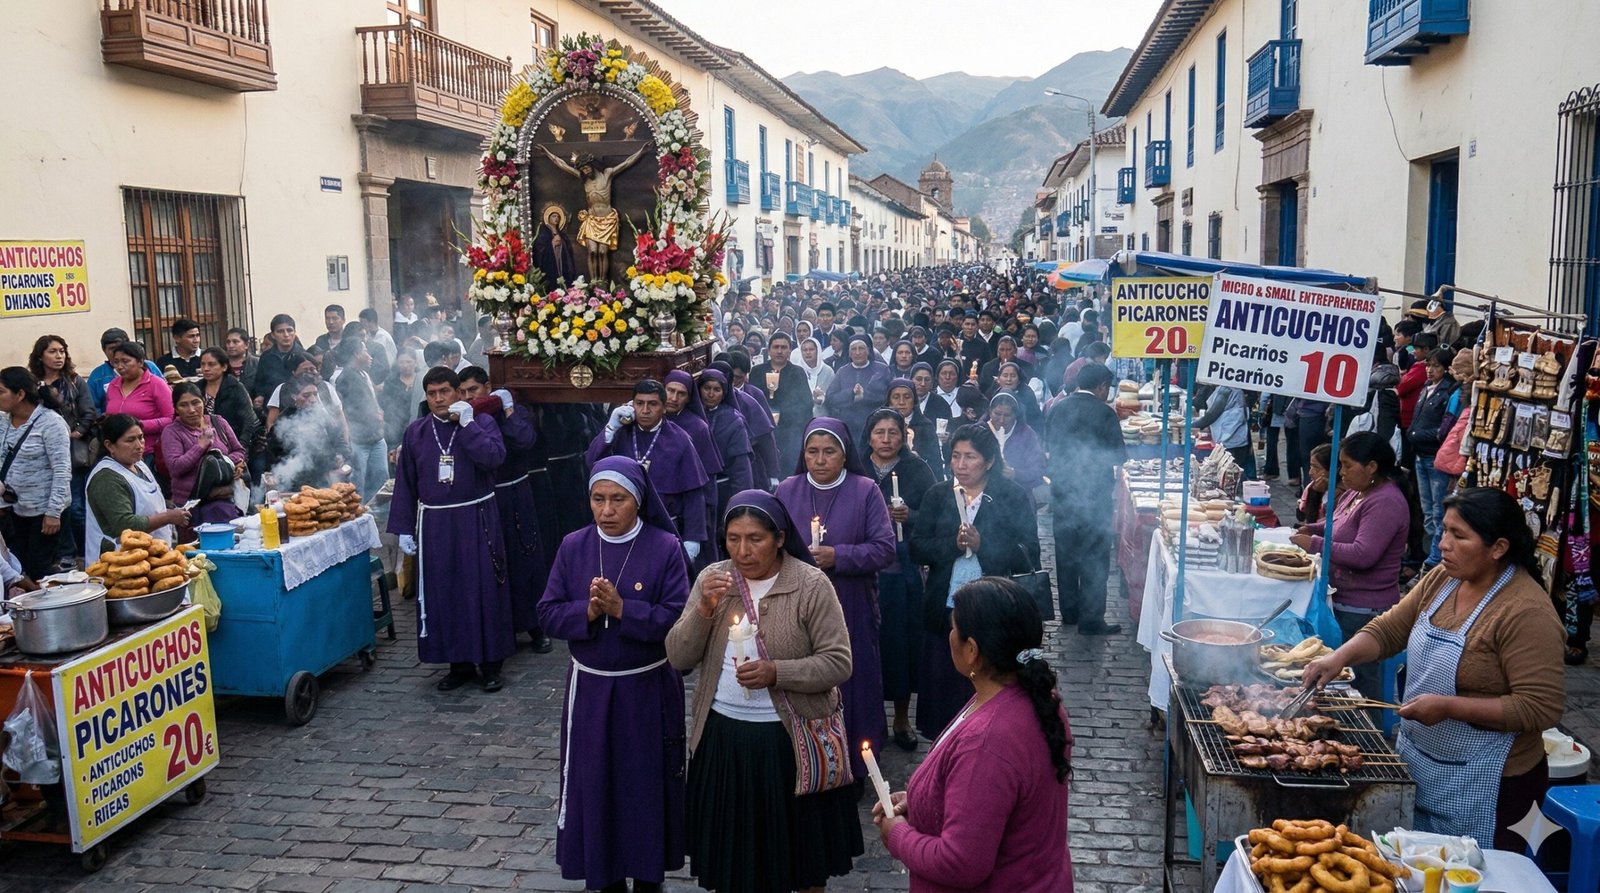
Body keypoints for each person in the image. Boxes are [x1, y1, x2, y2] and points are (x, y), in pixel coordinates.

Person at [1303, 488, 1564, 850]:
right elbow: (1389, 629)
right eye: (1444, 531)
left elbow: (1540, 707)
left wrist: (1447, 707)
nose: (1443, 544)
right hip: (1421, 761)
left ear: (1499, 548)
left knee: (1468, 873)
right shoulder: (1444, 578)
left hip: (1491, 783)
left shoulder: (1526, 612)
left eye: (1459, 536)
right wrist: (1338, 658)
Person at [665, 490, 862, 893]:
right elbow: (678, 655)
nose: (743, 550)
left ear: (780, 538)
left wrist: (777, 672)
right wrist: (703, 610)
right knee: (734, 858)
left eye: (755, 539)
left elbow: (838, 662)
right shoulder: (713, 580)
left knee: (802, 860)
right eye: (733, 539)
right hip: (724, 738)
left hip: (789, 742)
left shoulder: (810, 585)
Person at [536, 457, 689, 893]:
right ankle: (605, 877)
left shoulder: (664, 547)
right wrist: (585, 612)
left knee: (643, 785)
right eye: (598, 499)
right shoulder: (574, 546)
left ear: (638, 500)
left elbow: (680, 620)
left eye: (618, 499)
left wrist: (625, 610)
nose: (606, 510)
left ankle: (648, 877)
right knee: (597, 783)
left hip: (646, 689)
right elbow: (546, 612)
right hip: (591, 690)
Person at [874, 577, 1074, 892]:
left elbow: (961, 863)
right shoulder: (1029, 697)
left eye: (953, 628)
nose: (949, 635)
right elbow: (986, 799)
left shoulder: (987, 742)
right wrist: (923, 802)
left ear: (971, 650)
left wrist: (897, 835)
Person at [777, 417, 896, 777]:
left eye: (829, 452)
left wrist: (838, 556)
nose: (820, 460)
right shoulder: (787, 490)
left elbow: (885, 548)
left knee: (852, 682)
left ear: (845, 455)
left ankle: (856, 765)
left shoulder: (865, 490)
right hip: (797, 603)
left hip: (850, 602)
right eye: (812, 451)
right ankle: (804, 760)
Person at [909, 424, 1042, 740]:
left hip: (993, 614)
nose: (961, 465)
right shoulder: (938, 495)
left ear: (989, 461)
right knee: (944, 696)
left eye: (970, 457)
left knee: (985, 695)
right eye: (956, 456)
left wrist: (984, 544)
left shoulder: (1010, 496)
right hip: (945, 611)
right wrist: (951, 545)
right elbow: (917, 547)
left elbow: (1029, 552)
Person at [389, 367, 515, 692]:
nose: (438, 399)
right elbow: (406, 482)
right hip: (436, 526)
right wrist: (404, 528)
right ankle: (458, 663)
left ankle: (491, 664)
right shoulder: (416, 432)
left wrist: (468, 425)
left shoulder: (481, 423)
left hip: (476, 518)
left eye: (444, 391)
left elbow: (494, 458)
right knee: (446, 592)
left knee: (482, 589)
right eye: (432, 394)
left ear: (458, 392)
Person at [1289, 432, 1411, 701]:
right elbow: (1336, 524)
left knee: (1361, 682)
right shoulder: (1357, 492)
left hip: (1365, 608)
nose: (1341, 472)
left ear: (1371, 467)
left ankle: (1371, 725)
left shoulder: (1386, 502)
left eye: (1347, 465)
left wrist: (1315, 543)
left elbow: (1363, 554)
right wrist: (1311, 528)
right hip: (1341, 597)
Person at [459, 368, 551, 653]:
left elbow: (525, 440)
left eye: (473, 390)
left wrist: (508, 410)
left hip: (515, 493)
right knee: (494, 567)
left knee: (526, 560)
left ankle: (536, 627)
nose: (468, 397)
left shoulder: (511, 410)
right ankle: (502, 628)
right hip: (484, 500)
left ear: (488, 386)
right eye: (462, 392)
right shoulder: (463, 417)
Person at [864, 408, 936, 751]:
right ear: (868, 436)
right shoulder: (857, 469)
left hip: (902, 569)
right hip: (865, 567)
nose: (886, 439)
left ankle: (902, 717)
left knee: (901, 642)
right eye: (880, 432)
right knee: (868, 643)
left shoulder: (917, 469)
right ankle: (869, 714)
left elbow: (935, 515)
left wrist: (911, 515)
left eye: (893, 432)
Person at [587, 381, 712, 567]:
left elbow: (693, 494)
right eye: (639, 403)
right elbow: (593, 463)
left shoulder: (680, 440)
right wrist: (610, 429)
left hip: (664, 527)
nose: (645, 410)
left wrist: (693, 537)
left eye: (652, 404)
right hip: (622, 526)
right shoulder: (621, 433)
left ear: (664, 407)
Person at [1042, 364, 1126, 634]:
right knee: (1094, 558)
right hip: (1095, 498)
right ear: (1101, 386)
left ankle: (1069, 613)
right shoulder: (1104, 412)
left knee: (1065, 554)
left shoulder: (1058, 408)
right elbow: (1119, 455)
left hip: (1063, 494)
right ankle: (1091, 620)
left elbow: (1048, 446)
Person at [29, 336, 96, 568]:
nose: (59, 356)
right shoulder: (33, 384)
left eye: (62, 351)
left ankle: (84, 552)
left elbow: (89, 412)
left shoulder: (74, 381)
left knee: (75, 507)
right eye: (52, 351)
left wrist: (77, 432)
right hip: (41, 451)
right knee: (53, 505)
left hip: (72, 450)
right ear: (40, 356)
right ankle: (62, 553)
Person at [84, 414, 189, 562]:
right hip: (119, 562)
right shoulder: (106, 478)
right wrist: (168, 517)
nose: (139, 445)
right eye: (130, 440)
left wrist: (168, 507)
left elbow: (144, 500)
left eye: (141, 438)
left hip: (150, 556)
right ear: (110, 445)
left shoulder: (138, 464)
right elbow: (124, 525)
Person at [0, 369, 72, 579]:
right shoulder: (3, 421)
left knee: (40, 570)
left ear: (20, 394)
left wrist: (53, 512)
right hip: (13, 510)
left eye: (1, 392)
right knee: (17, 569)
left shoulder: (51, 423)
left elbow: (62, 470)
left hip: (45, 513)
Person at [160, 383, 246, 524]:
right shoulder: (172, 432)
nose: (191, 410)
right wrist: (200, 446)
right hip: (193, 505)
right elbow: (175, 467)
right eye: (183, 405)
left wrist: (228, 464)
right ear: (175, 408)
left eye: (196, 403)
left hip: (226, 497)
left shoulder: (218, 422)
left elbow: (239, 450)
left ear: (204, 401)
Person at [1408, 348, 1461, 572]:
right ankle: (1429, 558)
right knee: (1427, 511)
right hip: (1420, 456)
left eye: (1436, 366)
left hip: (1435, 458)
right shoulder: (1427, 388)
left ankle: (1434, 562)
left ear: (1446, 369)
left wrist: (1418, 434)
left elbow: (1444, 429)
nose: (1430, 370)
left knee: (1438, 512)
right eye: (1428, 365)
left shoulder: (1448, 392)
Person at [265, 374, 347, 491]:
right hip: (296, 482)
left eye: (315, 394)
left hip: (325, 479)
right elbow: (277, 453)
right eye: (306, 396)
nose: (313, 400)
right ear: (294, 396)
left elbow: (338, 439)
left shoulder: (322, 416)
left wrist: (341, 454)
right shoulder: (284, 420)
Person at [332, 338, 387, 502]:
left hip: (376, 437)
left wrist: (378, 412)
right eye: (365, 351)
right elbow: (346, 411)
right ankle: (360, 513)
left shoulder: (364, 374)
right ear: (356, 354)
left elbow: (372, 400)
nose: (370, 356)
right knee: (357, 486)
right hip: (358, 441)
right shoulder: (345, 378)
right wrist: (371, 416)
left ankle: (378, 515)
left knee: (380, 481)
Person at [103, 340, 174, 463]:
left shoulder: (156, 384)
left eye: (125, 361)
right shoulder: (113, 386)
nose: (120, 366)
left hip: (148, 452)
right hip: (119, 454)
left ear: (140, 362)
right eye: (116, 362)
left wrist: (137, 426)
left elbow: (170, 418)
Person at [697, 370, 754, 522]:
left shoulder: (733, 420)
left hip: (722, 490)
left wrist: (742, 503)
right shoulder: (690, 416)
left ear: (724, 393)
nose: (711, 394)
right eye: (706, 388)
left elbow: (741, 468)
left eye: (717, 389)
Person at [752, 332, 813, 471]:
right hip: (763, 430)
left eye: (784, 347)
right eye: (776, 347)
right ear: (769, 350)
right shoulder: (757, 371)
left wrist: (786, 414)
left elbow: (806, 403)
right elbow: (753, 400)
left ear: (790, 351)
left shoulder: (797, 372)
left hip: (790, 431)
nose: (779, 351)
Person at [824, 334, 891, 446]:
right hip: (848, 427)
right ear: (849, 353)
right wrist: (852, 394)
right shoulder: (842, 371)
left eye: (861, 348)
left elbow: (887, 396)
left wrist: (864, 396)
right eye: (854, 349)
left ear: (868, 351)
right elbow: (831, 398)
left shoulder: (881, 370)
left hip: (875, 424)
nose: (858, 352)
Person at [196, 348, 257, 461]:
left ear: (224, 367)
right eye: (203, 364)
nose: (206, 368)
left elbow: (248, 421)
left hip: (233, 444)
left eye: (211, 364)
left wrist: (241, 449)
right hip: (202, 446)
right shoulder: (197, 388)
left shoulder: (235, 388)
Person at [87, 328, 161, 415]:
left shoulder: (149, 367)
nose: (116, 352)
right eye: (112, 348)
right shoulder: (97, 376)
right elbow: (92, 408)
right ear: (104, 350)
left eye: (120, 347)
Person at [987, 393, 1046, 496]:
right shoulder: (980, 431)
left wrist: (1015, 474)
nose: (1001, 420)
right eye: (997, 414)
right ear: (990, 412)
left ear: (1015, 416)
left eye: (1007, 415)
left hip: (1018, 496)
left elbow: (1038, 471)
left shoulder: (1026, 435)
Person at [1193, 383, 1255, 480]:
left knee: (1231, 474)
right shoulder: (1229, 389)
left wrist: (1191, 425)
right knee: (1234, 474)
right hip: (1234, 438)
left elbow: (1211, 415)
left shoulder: (1226, 390)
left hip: (1231, 441)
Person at [885, 379, 940, 470]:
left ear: (914, 400)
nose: (901, 402)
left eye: (907, 397)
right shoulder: (877, 424)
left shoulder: (925, 426)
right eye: (896, 397)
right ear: (889, 401)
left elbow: (935, 463)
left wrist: (919, 461)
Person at [255, 314, 305, 403]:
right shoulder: (266, 357)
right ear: (273, 335)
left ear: (295, 332)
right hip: (271, 405)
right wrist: (260, 396)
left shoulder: (304, 356)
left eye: (289, 330)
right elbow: (259, 383)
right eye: (280, 331)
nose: (286, 335)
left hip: (297, 406)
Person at [381, 348, 425, 450]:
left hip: (416, 424)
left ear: (415, 362)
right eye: (401, 362)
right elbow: (385, 403)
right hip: (394, 428)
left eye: (408, 362)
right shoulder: (391, 381)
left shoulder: (422, 380)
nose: (405, 365)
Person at [796, 337, 834, 419]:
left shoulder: (828, 371)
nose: (808, 352)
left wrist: (821, 399)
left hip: (822, 417)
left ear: (818, 351)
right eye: (805, 350)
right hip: (800, 417)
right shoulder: (796, 371)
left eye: (811, 349)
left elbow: (833, 398)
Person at [222, 327, 261, 401]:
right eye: (228, 342)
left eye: (235, 342)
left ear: (246, 345)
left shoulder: (257, 364)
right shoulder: (221, 364)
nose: (231, 345)